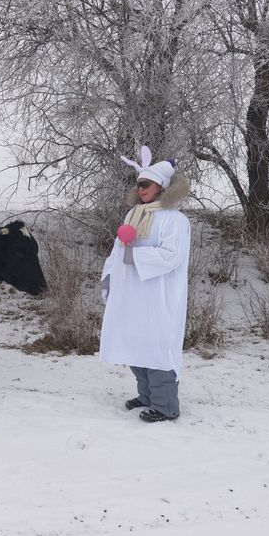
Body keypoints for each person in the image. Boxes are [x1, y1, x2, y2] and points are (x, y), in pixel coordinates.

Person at [99, 146, 191, 422]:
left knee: (157, 344)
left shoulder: (175, 220)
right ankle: (148, 395)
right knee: (135, 341)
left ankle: (166, 406)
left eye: (146, 184)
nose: (141, 189)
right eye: (139, 184)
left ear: (161, 186)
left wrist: (133, 254)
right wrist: (108, 279)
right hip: (131, 293)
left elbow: (171, 257)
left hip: (158, 295)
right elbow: (118, 252)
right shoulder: (133, 215)